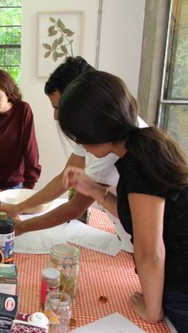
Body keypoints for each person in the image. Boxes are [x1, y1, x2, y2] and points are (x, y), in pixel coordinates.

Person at [59, 70, 188, 332]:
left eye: (79, 136)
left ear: (93, 130)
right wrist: (94, 189)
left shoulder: (140, 162)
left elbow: (150, 252)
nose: (80, 145)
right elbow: (139, 217)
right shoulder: (143, 145)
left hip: (181, 287)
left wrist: (152, 312)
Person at [0, 56, 141, 253]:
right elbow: (65, 178)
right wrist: (19, 208)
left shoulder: (109, 146)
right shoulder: (97, 133)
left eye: (59, 107)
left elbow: (75, 207)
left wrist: (21, 227)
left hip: (143, 241)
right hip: (130, 232)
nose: (55, 116)